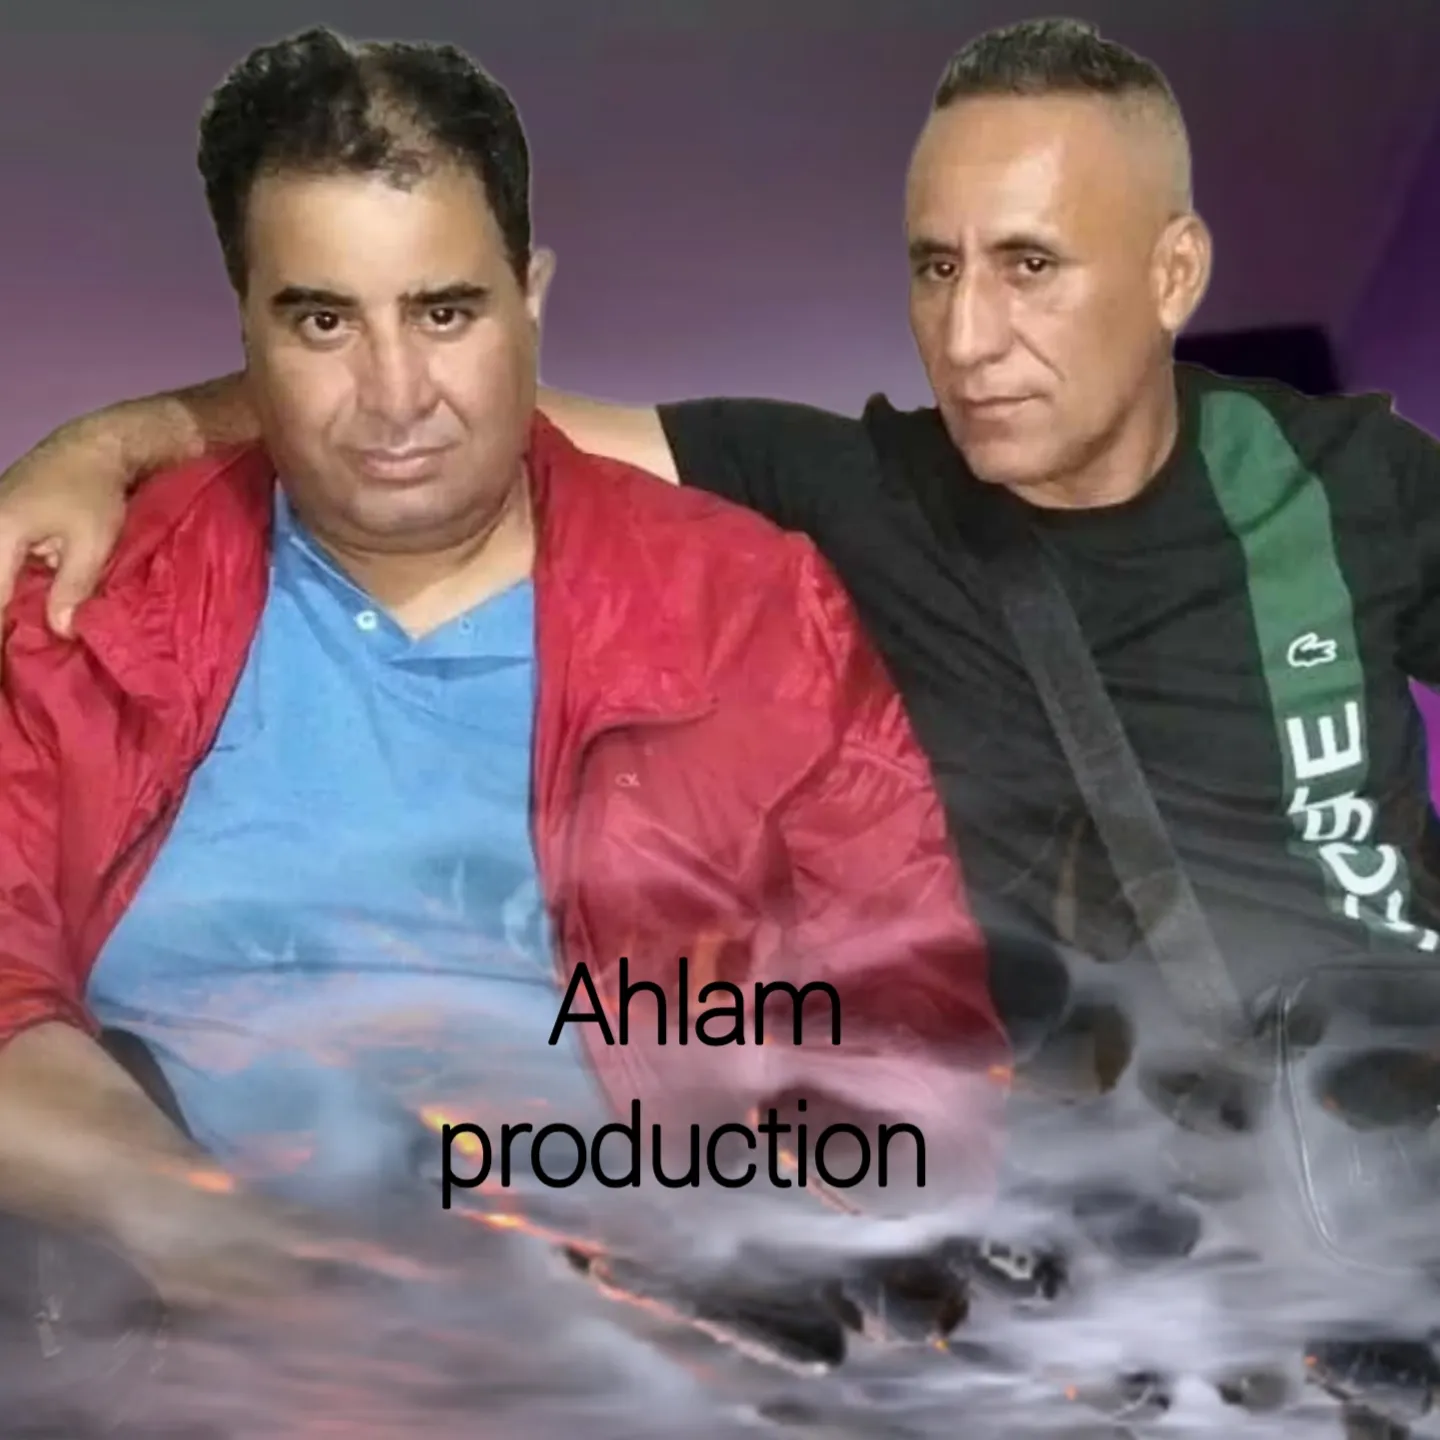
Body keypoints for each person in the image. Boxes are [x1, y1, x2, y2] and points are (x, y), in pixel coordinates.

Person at [6, 19, 1439, 1025]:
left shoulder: (1342, 481)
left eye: (1029, 265)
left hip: (1392, 1133)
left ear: (1174, 272)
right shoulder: (849, 486)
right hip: (1120, 1222)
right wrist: (109, 444)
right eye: (935, 268)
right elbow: (434, 403)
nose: (967, 335)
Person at [0, 28, 1006, 1317]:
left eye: (445, 312)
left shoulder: (756, 610)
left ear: (530, 298)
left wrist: (721, 1254)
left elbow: (919, 1041)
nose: (394, 395)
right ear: (245, 326)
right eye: (322, 320)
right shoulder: (87, 606)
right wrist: (194, 1226)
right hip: (183, 1348)